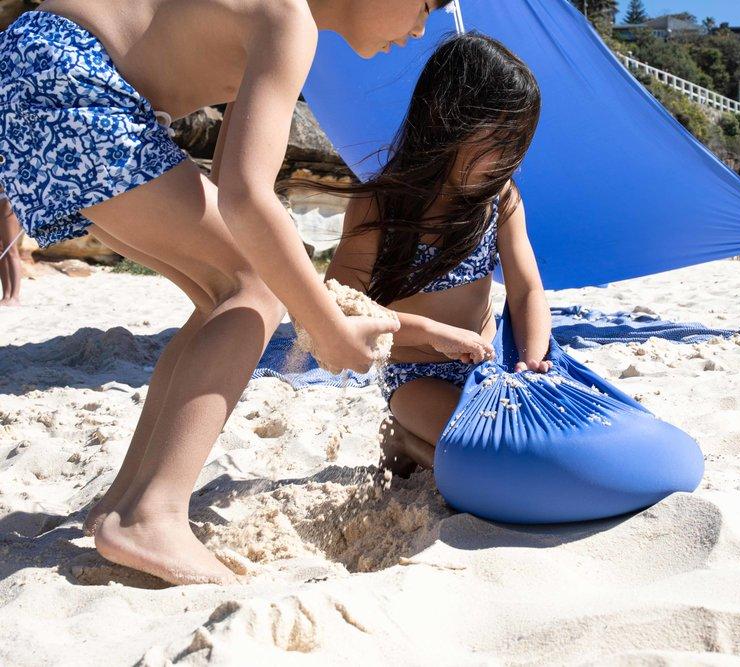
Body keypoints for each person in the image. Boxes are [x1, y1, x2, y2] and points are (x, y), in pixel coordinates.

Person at [0, 1, 455, 585]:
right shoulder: (290, 20)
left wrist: (312, 303)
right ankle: (150, 514)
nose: (419, 28)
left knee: (225, 292)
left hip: (36, 68)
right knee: (255, 285)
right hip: (74, 80)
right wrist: (325, 328)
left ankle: (126, 500)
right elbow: (246, 197)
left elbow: (229, 190)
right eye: (425, 6)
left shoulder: (273, 17)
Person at [321, 34, 551, 476]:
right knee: (491, 461)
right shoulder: (380, 205)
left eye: (516, 145)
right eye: (497, 141)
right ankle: (406, 438)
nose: (506, 160)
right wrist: (432, 333)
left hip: (491, 364)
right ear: (447, 120)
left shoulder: (499, 199)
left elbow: (526, 292)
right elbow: (340, 308)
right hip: (417, 377)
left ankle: (423, 447)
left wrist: (532, 358)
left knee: (533, 449)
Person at [0, 193, 22, 306]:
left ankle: (15, 297)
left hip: (7, 199)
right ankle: (6, 296)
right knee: (1, 250)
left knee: (11, 250)